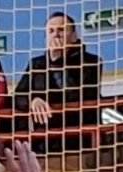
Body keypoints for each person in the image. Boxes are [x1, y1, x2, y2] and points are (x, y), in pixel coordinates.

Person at [14, 13, 103, 152]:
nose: (56, 35)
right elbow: (17, 96)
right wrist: (33, 100)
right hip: (45, 141)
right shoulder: (36, 64)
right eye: (51, 31)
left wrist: (57, 61)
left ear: (74, 36)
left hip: (80, 140)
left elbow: (78, 94)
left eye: (61, 30)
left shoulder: (91, 62)